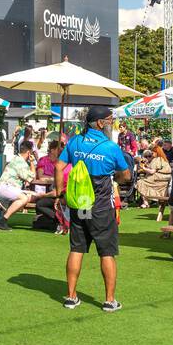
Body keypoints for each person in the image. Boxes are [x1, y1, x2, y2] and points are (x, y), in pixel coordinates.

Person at [57, 106, 131, 311]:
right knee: (106, 251)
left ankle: (71, 297)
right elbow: (126, 175)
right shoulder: (110, 147)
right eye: (109, 120)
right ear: (100, 123)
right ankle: (109, 300)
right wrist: (115, 177)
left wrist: (59, 193)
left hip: (80, 204)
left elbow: (58, 167)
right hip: (101, 207)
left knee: (77, 248)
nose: (111, 124)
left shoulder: (75, 141)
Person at [0, 140, 37, 231]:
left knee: (33, 196)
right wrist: (32, 162)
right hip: (6, 188)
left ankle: (5, 208)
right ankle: (2, 221)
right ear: (29, 153)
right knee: (24, 198)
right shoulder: (21, 162)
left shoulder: (16, 159)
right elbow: (32, 178)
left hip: (6, 188)